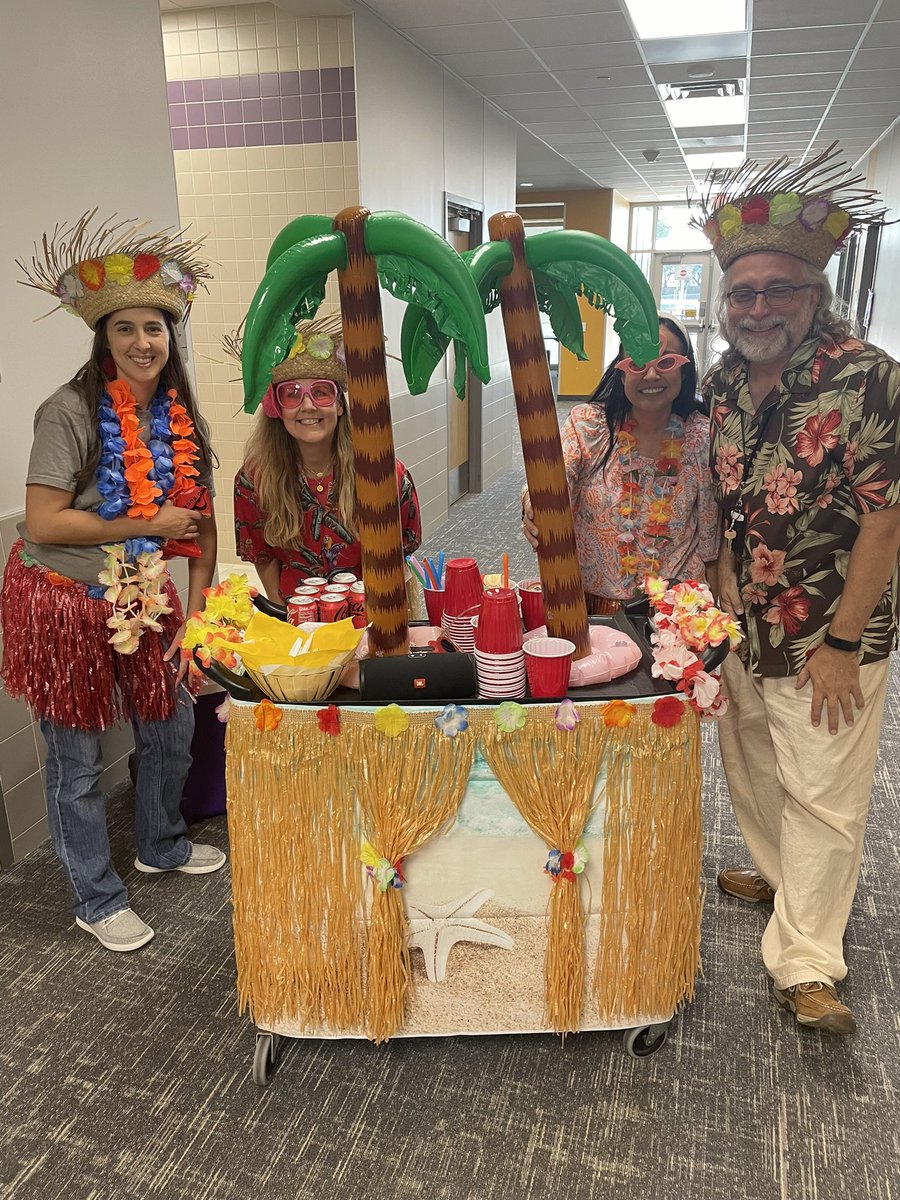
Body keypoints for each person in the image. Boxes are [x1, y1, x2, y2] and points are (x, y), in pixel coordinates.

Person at [696, 145, 900, 1034]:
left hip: (830, 634)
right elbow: (723, 505)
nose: (759, 308)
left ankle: (808, 960)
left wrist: (845, 641)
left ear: (816, 295)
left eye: (780, 289)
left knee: (822, 786)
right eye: (743, 293)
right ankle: (783, 882)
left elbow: (887, 519)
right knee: (753, 762)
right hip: (746, 626)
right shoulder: (725, 383)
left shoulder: (869, 378)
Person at [1, 214, 224, 954]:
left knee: (172, 725)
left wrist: (194, 617)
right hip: (65, 599)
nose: (141, 342)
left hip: (147, 590)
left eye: (154, 328)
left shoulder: (179, 416)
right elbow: (40, 523)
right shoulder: (67, 411)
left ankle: (159, 843)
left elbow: (201, 527)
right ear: (104, 340)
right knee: (77, 763)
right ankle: (94, 898)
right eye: (125, 329)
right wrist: (149, 528)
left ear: (170, 338)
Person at [521, 315, 720, 610]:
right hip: (591, 611)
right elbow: (555, 475)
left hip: (674, 613)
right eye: (637, 362)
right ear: (622, 372)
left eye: (666, 362)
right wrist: (535, 501)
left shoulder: (701, 437)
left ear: (685, 368)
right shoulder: (588, 426)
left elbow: (709, 541)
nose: (651, 375)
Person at [233, 315, 423, 604]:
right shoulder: (254, 481)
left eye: (321, 392)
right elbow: (263, 556)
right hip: (297, 616)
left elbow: (401, 551)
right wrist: (286, 615)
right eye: (292, 394)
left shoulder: (386, 475)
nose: (307, 405)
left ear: (340, 405)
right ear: (277, 408)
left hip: (371, 615)